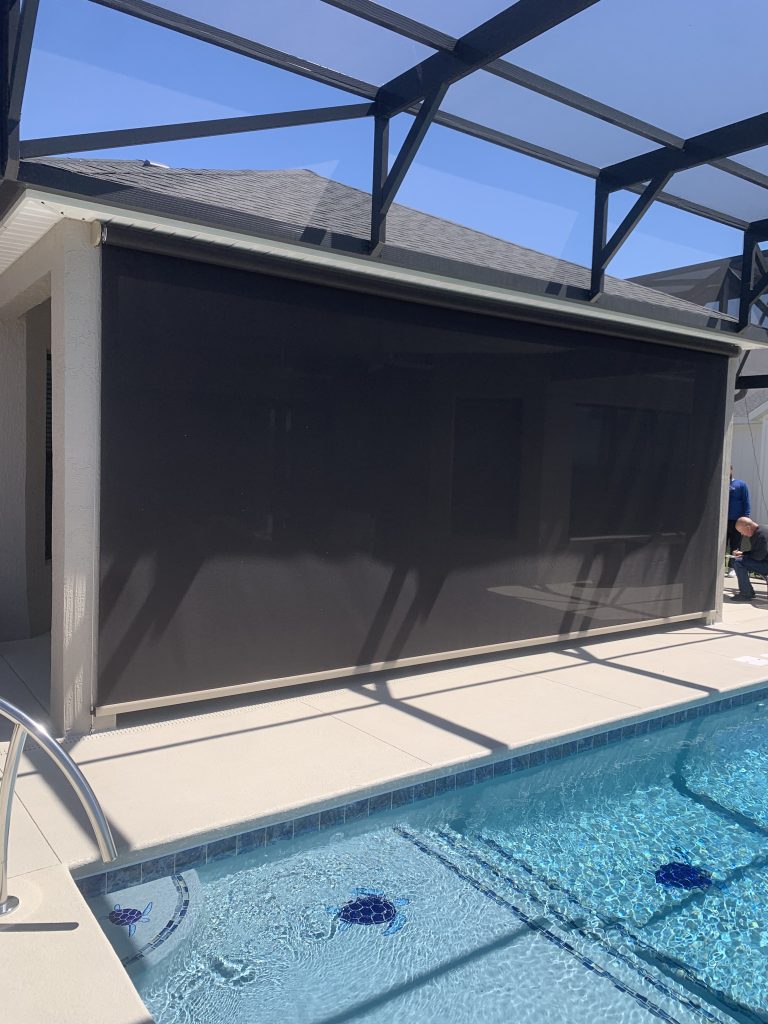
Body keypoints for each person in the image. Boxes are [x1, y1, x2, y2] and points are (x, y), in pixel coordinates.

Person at [730, 516, 768, 600]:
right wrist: (743, 553)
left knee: (738, 562)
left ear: (748, 528)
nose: (742, 534)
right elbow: (759, 552)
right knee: (737, 560)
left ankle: (746, 593)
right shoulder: (762, 530)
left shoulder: (761, 535)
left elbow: (759, 557)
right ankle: (748, 591)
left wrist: (744, 556)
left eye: (742, 532)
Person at [726, 469, 751, 577]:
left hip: (737, 521)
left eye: (728, 469)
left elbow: (746, 502)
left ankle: (732, 567)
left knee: (735, 544)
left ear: (731, 470)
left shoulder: (740, 484)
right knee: (721, 545)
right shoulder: (720, 484)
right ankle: (718, 566)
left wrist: (745, 519)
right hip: (722, 521)